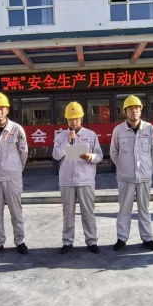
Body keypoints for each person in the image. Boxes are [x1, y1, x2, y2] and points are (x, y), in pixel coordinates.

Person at [52, 102, 103, 254]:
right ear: (66, 120)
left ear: (81, 118)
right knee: (68, 213)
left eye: (76, 118)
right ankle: (67, 242)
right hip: (67, 181)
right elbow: (56, 155)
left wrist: (91, 156)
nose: (74, 122)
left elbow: (100, 155)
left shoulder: (91, 135)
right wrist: (67, 141)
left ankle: (91, 241)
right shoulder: (61, 136)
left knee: (88, 212)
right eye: (70, 119)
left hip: (85, 180)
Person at [110, 95, 153, 251]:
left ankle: (147, 238)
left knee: (144, 209)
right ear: (125, 111)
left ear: (141, 110)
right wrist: (124, 166)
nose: (134, 111)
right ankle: (121, 238)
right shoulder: (118, 130)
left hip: (144, 177)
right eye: (130, 108)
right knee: (124, 209)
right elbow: (114, 153)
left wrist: (145, 166)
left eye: (137, 108)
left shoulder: (149, 128)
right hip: (126, 177)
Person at [0, 92, 29, 256]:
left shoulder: (16, 129)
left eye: (2, 108)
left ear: (8, 109)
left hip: (12, 178)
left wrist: (15, 169)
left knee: (16, 212)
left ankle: (20, 241)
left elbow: (23, 152)